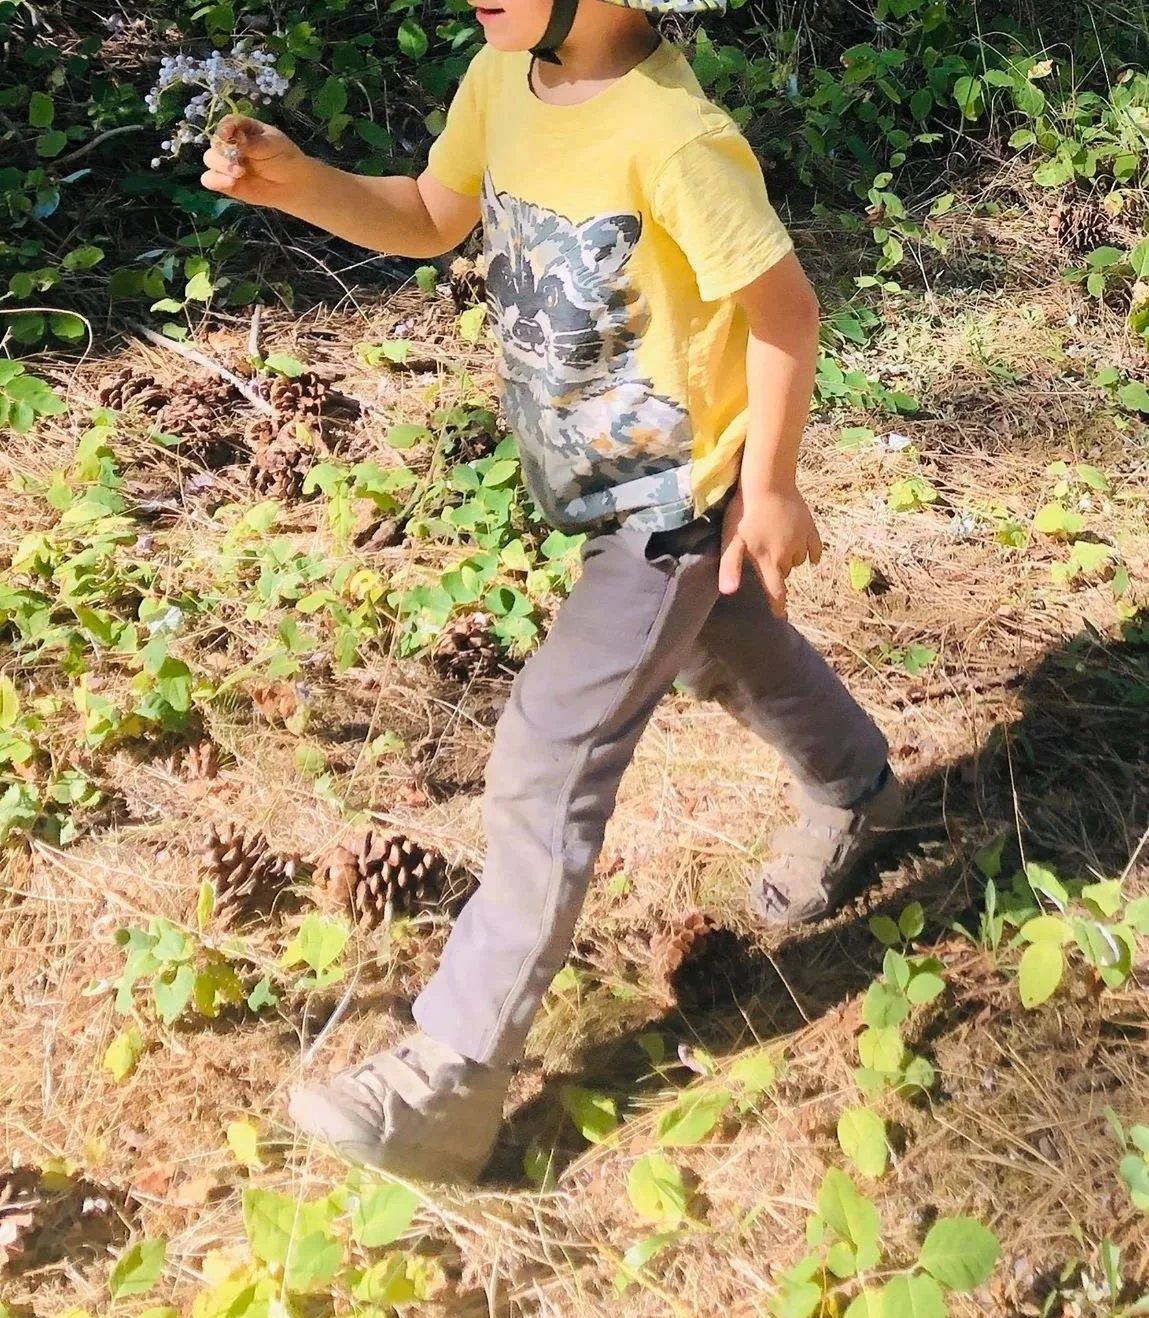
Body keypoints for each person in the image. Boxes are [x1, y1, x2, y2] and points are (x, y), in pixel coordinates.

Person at [202, 0, 903, 1184]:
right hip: (600, 484)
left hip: (667, 506)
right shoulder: (499, 76)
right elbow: (431, 214)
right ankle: (859, 787)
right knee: (725, 638)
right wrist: (304, 182)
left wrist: (773, 485)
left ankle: (451, 1074)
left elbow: (785, 309)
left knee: (549, 743)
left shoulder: (674, 136)